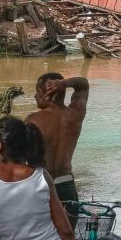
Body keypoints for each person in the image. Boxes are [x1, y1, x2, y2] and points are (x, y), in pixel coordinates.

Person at [25, 74, 89, 207]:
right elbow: (83, 85)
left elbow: (25, 157)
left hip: (40, 183)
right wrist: (65, 83)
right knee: (67, 227)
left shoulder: (32, 120)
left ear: (48, 94)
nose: (35, 96)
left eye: (38, 93)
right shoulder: (75, 114)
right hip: (65, 182)